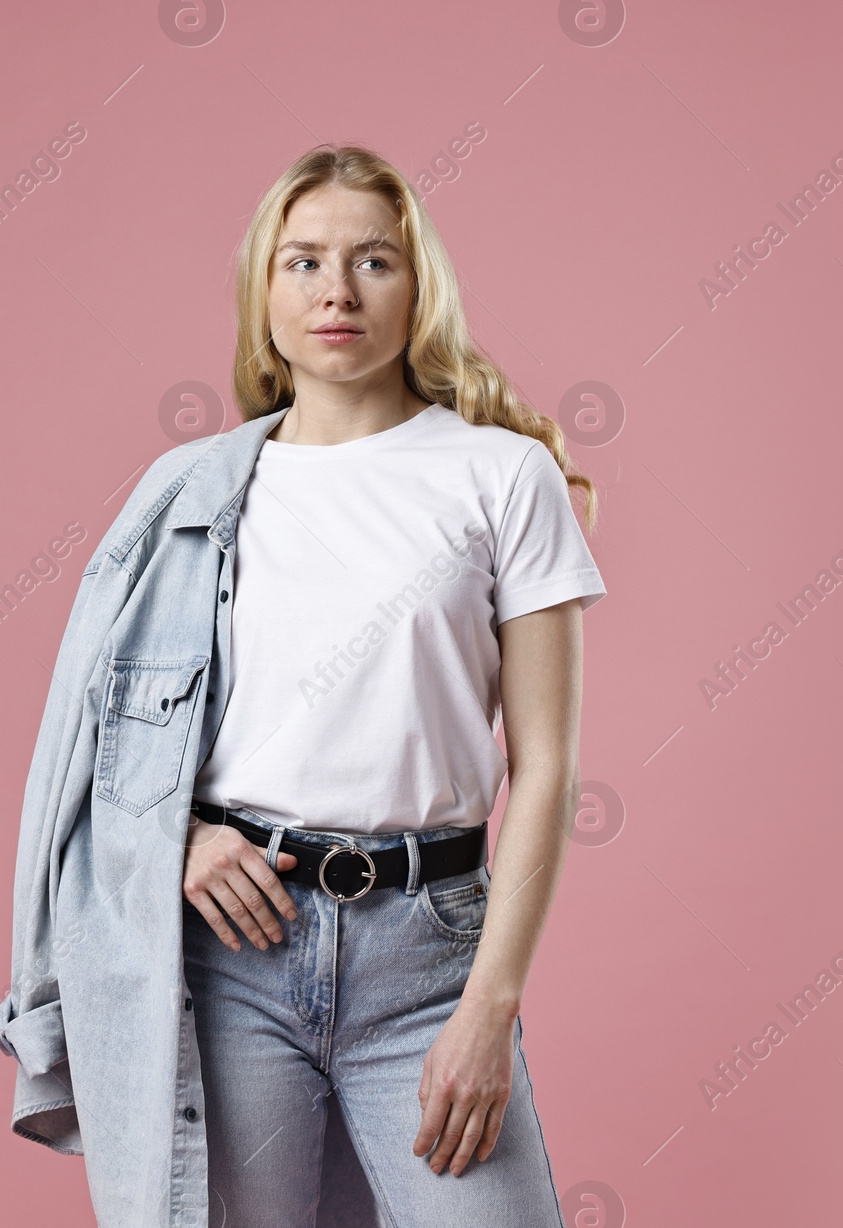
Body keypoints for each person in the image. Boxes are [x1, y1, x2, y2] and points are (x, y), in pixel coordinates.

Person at [176, 143, 607, 1225]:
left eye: (373, 261)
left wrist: (488, 1006)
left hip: (430, 958)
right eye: (303, 261)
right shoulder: (204, 491)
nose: (335, 290)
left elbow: (546, 766)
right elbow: (124, 733)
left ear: (418, 290)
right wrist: (179, 835)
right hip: (237, 952)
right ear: (261, 292)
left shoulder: (502, 475)